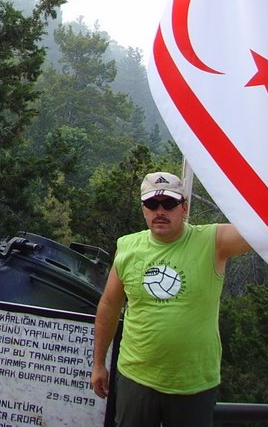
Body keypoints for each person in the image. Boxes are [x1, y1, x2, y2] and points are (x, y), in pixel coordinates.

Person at [90, 172, 252, 427]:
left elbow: (263, 231)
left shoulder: (213, 241)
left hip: (194, 384)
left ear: (184, 207)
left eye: (169, 203)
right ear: (143, 208)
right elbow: (110, 305)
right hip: (136, 378)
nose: (160, 211)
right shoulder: (127, 247)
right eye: (152, 204)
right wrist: (99, 363)